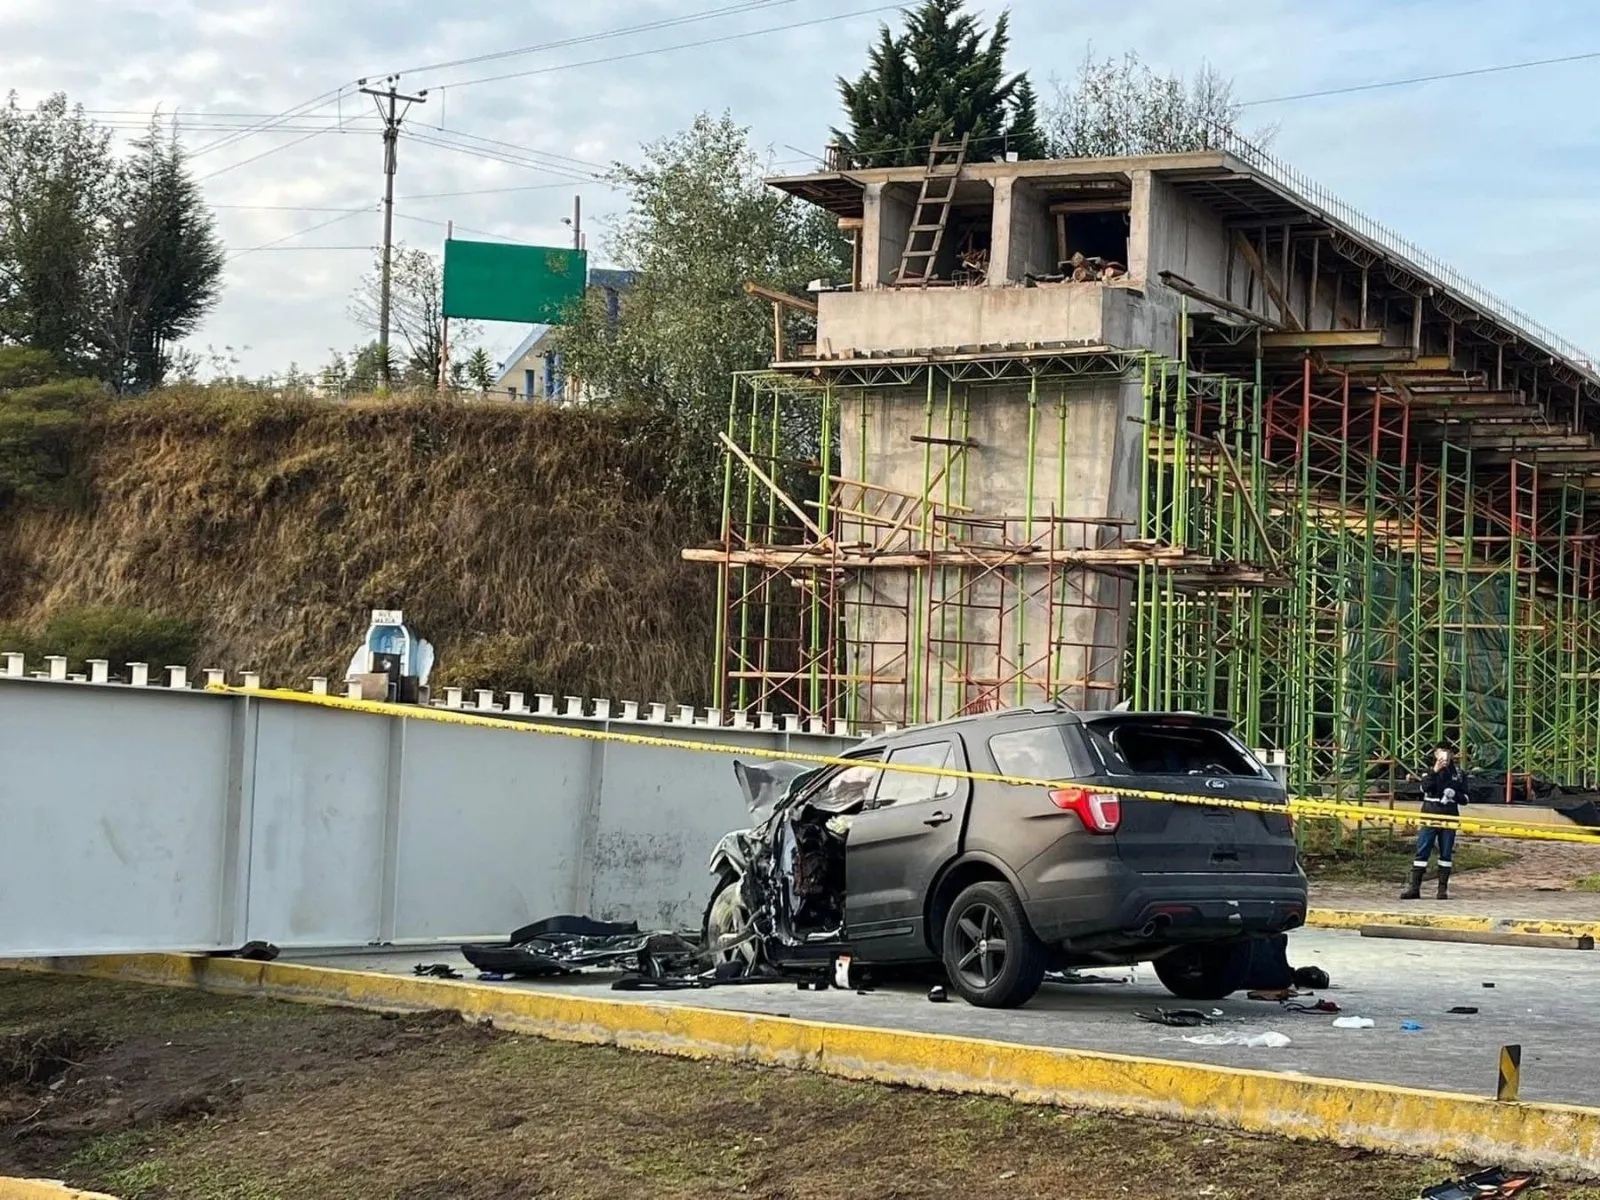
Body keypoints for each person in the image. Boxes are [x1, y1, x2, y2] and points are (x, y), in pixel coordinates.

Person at [1401, 742, 1470, 901]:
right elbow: (1424, 788)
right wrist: (1435, 771)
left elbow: (1466, 798)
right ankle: (1414, 888)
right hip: (1430, 815)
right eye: (1441, 752)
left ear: (1452, 755)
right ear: (1435, 754)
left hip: (1449, 816)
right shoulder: (1428, 771)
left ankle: (1442, 889)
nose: (1445, 756)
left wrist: (1454, 795)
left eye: (1448, 752)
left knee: (1446, 852)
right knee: (1422, 850)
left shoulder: (1459, 774)